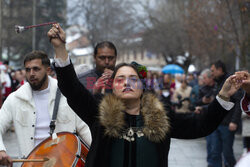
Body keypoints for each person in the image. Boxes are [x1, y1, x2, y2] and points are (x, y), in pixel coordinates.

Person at [48, 23, 242, 167]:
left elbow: (199, 126)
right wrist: (59, 48)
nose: (126, 83)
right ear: (113, 87)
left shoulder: (161, 116)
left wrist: (223, 96)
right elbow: (72, 89)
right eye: (120, 79)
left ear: (142, 87)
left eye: (133, 79)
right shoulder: (100, 113)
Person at [0, 50, 92, 167]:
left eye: (36, 69)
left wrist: (100, 154)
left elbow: (85, 130)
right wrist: (1, 150)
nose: (31, 73)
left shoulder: (66, 95)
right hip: (30, 163)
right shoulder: (15, 99)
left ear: (48, 70)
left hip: (65, 163)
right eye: (28, 70)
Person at [209, 60, 243, 167]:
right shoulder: (217, 82)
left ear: (220, 70)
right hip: (216, 123)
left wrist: (234, 121)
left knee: (227, 153)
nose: (212, 73)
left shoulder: (231, 81)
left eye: (213, 71)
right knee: (214, 152)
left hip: (227, 124)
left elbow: (239, 103)